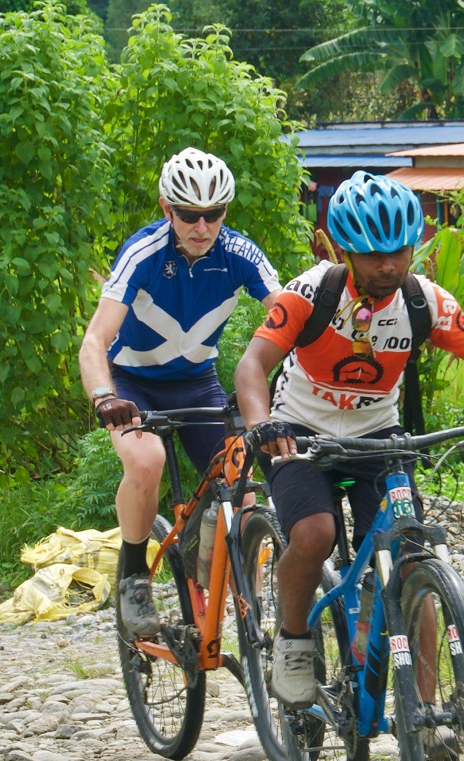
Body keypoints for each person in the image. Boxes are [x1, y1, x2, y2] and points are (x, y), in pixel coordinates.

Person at [233, 171, 464, 708]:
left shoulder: (426, 302)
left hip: (378, 435)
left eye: (398, 252)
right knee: (315, 533)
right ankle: (293, 641)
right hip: (298, 432)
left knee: (412, 554)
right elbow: (251, 366)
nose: (389, 266)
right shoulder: (309, 293)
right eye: (373, 255)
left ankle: (428, 714)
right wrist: (262, 424)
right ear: (346, 252)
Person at [78, 148, 282, 641]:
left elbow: (289, 317)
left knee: (242, 487)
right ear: (166, 208)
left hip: (196, 382)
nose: (201, 226)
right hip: (133, 385)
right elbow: (94, 341)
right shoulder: (143, 253)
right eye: (188, 214)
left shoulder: (240, 254)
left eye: (214, 213)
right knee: (146, 461)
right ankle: (133, 576)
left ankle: (252, 615)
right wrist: (104, 397)